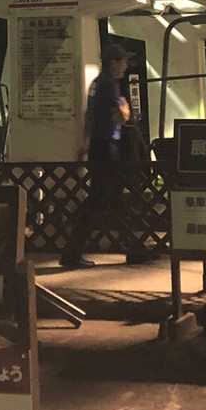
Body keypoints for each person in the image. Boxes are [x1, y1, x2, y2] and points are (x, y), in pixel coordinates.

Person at [62, 44, 150, 270]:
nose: (126, 66)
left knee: (109, 199)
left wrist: (85, 143)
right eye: (123, 61)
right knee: (102, 199)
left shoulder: (95, 84)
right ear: (114, 63)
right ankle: (74, 252)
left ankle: (132, 248)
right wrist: (126, 111)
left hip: (97, 146)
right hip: (108, 147)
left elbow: (89, 116)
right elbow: (123, 114)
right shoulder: (110, 85)